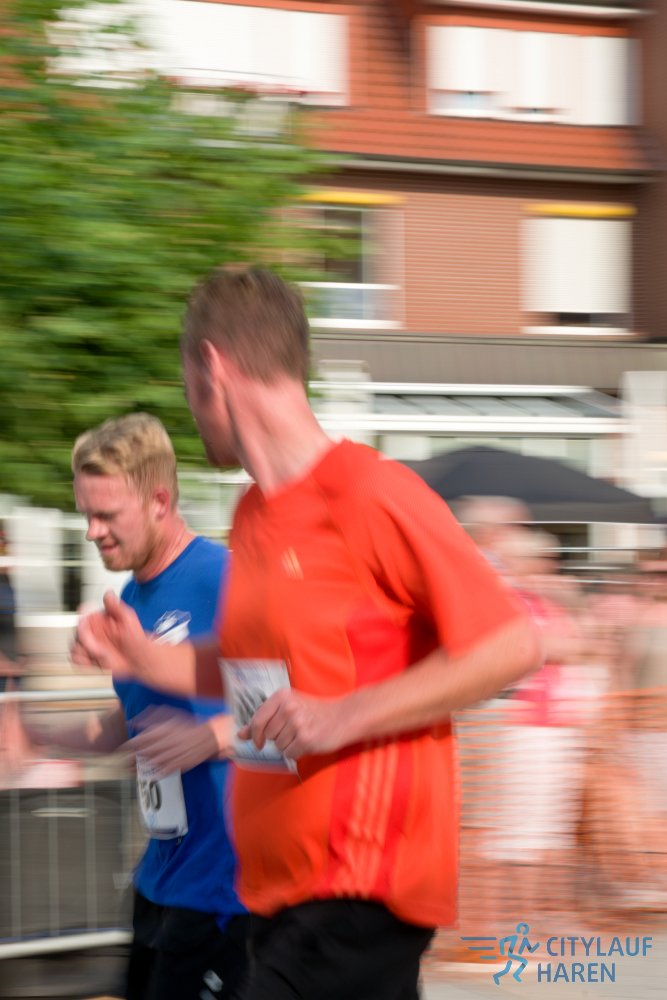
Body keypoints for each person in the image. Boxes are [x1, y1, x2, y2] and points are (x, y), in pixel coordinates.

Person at [75, 268, 541, 1000]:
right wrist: (145, 659)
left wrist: (342, 714)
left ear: (213, 368)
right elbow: (247, 669)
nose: (189, 408)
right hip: (278, 899)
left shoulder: (368, 492)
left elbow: (510, 644)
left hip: (358, 891)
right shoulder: (256, 515)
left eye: (187, 382)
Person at [40, 414, 247, 1000]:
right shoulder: (130, 598)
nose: (92, 531)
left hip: (226, 894)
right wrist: (33, 732)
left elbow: (295, 701)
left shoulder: (225, 580)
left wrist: (209, 738)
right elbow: (123, 725)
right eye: (86, 514)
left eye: (106, 514)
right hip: (159, 882)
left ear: (159, 501)